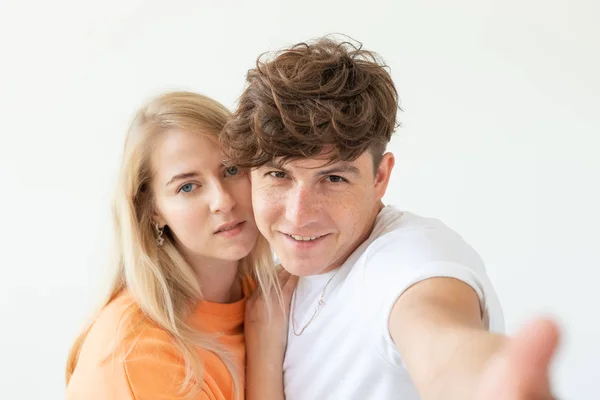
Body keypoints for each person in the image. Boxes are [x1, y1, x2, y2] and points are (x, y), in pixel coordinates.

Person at [222, 37, 560, 400]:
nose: (298, 215)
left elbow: (438, 336)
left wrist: (486, 380)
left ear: (380, 177)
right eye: (278, 175)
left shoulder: (411, 257)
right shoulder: (277, 281)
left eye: (333, 178)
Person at [65, 91, 292, 400]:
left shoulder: (265, 296)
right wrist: (264, 351)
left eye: (232, 170)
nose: (222, 201)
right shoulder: (138, 352)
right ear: (153, 210)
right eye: (187, 186)